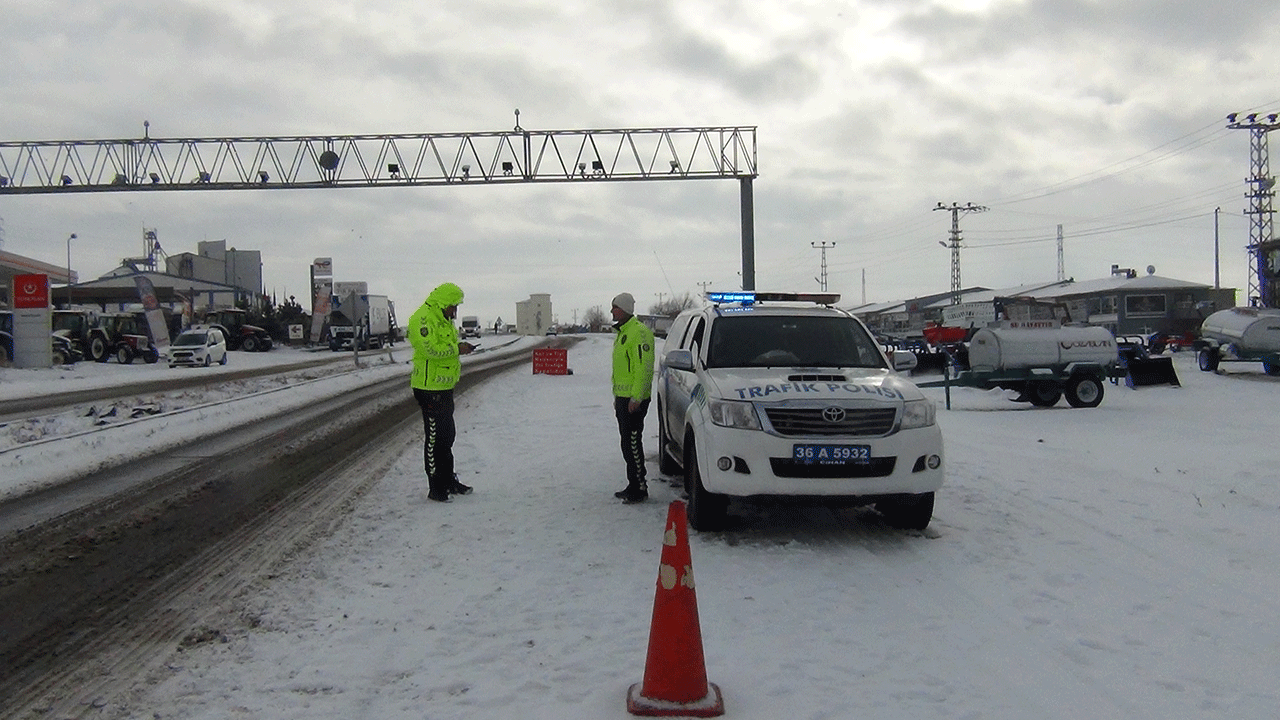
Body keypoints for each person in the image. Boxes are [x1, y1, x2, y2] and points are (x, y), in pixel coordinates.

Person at [407, 282, 477, 502]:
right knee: (435, 438)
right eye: (453, 306)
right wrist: (458, 349)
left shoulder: (444, 320)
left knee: (448, 436)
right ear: (443, 302)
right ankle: (435, 487)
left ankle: (448, 480)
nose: (455, 311)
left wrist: (460, 347)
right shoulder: (423, 319)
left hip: (444, 387)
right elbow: (430, 349)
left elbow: (446, 347)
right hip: (429, 388)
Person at [609, 292, 656, 503]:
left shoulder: (639, 333)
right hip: (623, 397)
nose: (612, 311)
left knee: (633, 443)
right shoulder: (623, 333)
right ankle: (633, 483)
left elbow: (644, 368)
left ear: (625, 308)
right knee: (626, 443)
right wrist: (619, 396)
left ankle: (640, 487)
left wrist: (636, 397)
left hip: (633, 400)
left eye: (615, 307)